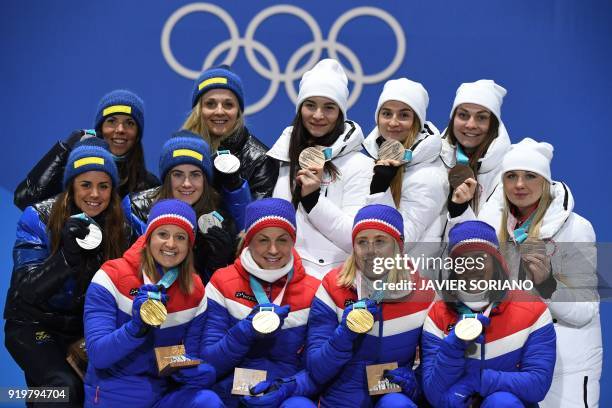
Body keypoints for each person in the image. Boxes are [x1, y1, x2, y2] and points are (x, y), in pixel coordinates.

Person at [450, 138, 602, 407]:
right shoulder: (495, 223)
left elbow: (586, 310)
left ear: (545, 181)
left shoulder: (576, 229)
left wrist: (546, 285)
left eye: (530, 176)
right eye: (512, 176)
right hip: (513, 358)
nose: (519, 185)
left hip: (568, 365)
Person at [4, 138, 128, 407]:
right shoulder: (39, 217)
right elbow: (26, 290)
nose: (95, 194)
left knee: (103, 392)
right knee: (63, 389)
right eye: (85, 184)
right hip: (33, 325)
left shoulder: (124, 226)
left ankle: (35, 398)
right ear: (71, 185)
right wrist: (65, 259)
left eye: (103, 186)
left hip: (86, 330)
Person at [83, 199, 222, 407]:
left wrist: (193, 370)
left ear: (189, 245)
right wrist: (135, 329)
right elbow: (98, 356)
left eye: (181, 237)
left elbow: (186, 355)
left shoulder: (195, 290)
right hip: (113, 393)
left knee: (207, 401)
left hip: (161, 394)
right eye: (163, 234)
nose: (171, 244)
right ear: (148, 238)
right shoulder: (111, 276)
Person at [307, 204, 434, 407]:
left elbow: (434, 369)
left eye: (380, 241)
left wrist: (413, 382)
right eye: (362, 242)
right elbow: (316, 369)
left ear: (397, 246)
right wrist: (345, 334)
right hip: (341, 397)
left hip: (391, 394)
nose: (370, 251)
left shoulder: (424, 293)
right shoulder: (333, 286)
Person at [197, 198, 320, 407]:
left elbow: (318, 371)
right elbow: (209, 362)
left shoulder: (315, 290)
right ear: (248, 241)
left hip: (284, 395)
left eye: (282, 240)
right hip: (230, 393)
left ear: (293, 241)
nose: (273, 250)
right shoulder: (222, 282)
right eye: (263, 240)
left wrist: (285, 388)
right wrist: (244, 332)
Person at [421, 220, 556, 407]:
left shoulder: (533, 309)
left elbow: (537, 384)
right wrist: (451, 350)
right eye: (461, 260)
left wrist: (478, 380)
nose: (471, 266)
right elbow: (434, 393)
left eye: (480, 257)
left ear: (496, 261)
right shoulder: (437, 314)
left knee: (502, 402)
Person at [267, 59, 373, 279]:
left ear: (340, 113)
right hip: (281, 278)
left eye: (329, 107)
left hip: (333, 286)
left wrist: (313, 200)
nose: (317, 115)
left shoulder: (360, 166)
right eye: (310, 105)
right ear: (300, 109)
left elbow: (357, 237)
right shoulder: (281, 156)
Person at [123, 132, 250, 284]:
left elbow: (220, 295)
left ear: (205, 179)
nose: (187, 184)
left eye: (195, 175)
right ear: (166, 177)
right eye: (178, 174)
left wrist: (218, 266)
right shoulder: (136, 208)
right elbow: (124, 274)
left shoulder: (221, 220)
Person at [14, 89, 159, 210]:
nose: (120, 129)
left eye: (129, 123)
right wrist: (64, 149)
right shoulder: (72, 173)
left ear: (138, 134)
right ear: (99, 129)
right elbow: (25, 200)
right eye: (112, 121)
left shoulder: (149, 185)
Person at [363, 78, 448, 253]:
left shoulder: (430, 175)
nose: (393, 122)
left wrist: (379, 190)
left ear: (416, 121)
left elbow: (403, 239)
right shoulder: (368, 160)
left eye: (403, 115)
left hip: (408, 276)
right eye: (387, 113)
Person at [184, 65, 278, 200]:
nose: (219, 111)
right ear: (199, 110)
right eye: (210, 104)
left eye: (228, 104)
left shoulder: (260, 160)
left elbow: (257, 218)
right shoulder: (183, 150)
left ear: (238, 111)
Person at [441, 80, 511, 217]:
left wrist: (460, 212)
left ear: (493, 124)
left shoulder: (507, 173)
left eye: (481, 117)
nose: (471, 125)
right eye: (463, 115)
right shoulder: (433, 157)